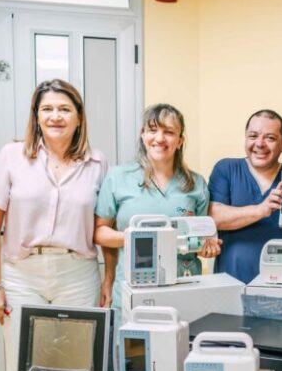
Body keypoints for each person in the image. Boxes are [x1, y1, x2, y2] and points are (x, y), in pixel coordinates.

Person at [0, 79, 108, 371]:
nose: (55, 116)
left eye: (65, 109)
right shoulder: (12, 156)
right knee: (22, 369)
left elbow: (103, 227)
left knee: (77, 368)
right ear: (36, 116)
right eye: (47, 109)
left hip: (77, 273)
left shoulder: (97, 163)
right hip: (22, 274)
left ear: (79, 117)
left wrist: (110, 279)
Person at [94, 104, 220, 320]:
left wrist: (207, 248)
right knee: (132, 350)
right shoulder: (118, 178)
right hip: (133, 288)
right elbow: (99, 232)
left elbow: (201, 239)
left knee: (180, 348)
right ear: (143, 135)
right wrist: (139, 239)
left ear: (180, 140)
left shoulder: (196, 184)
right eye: (153, 130)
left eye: (169, 132)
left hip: (183, 286)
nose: (160, 138)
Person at [208, 110, 282, 283]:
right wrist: (261, 210)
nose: (259, 144)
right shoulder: (227, 169)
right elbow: (214, 217)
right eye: (253, 136)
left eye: (270, 138)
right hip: (231, 284)